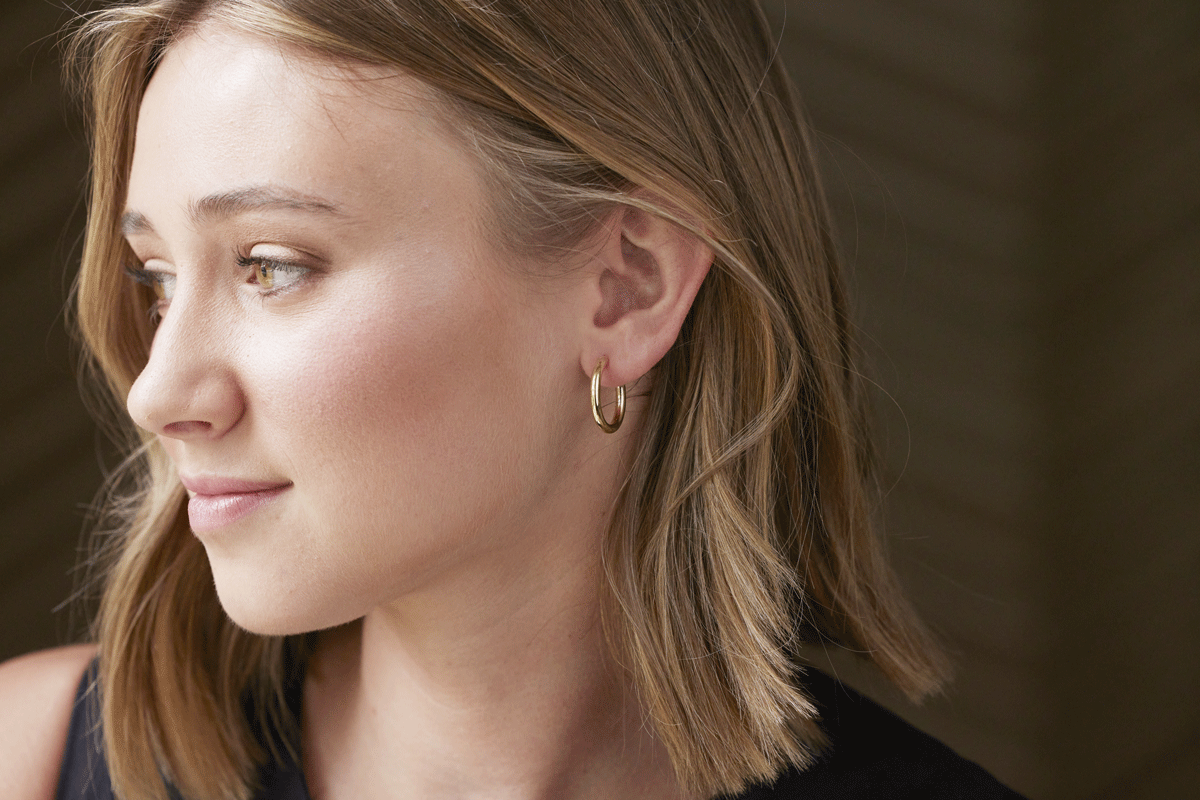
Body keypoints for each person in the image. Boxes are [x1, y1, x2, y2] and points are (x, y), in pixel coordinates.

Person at [0, 1, 1024, 798]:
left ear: (628, 285)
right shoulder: (29, 760)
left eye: (270, 265)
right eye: (156, 278)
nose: (158, 392)